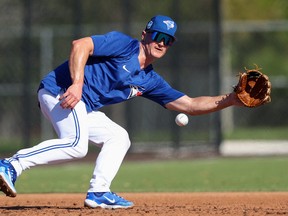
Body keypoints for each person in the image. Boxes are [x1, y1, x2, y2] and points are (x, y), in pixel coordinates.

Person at [0, 15, 242, 209]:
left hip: (82, 106)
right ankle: (10, 165)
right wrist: (77, 82)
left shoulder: (149, 79)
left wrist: (231, 99)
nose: (161, 43)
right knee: (76, 145)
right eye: (158, 35)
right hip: (60, 91)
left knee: (118, 137)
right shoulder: (123, 45)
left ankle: (99, 192)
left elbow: (189, 105)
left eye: (168, 40)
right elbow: (80, 45)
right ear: (145, 34)